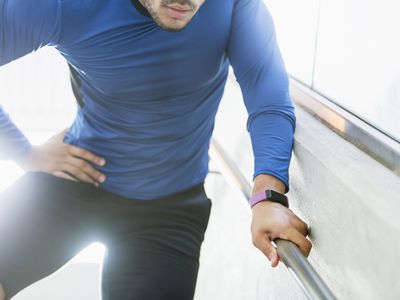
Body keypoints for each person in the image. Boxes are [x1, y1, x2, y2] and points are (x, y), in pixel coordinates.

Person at [0, 0, 312, 298]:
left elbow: (267, 95)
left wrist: (267, 196)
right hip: (73, 183)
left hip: (168, 210)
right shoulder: (62, 4)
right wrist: (23, 152)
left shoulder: (234, 5)